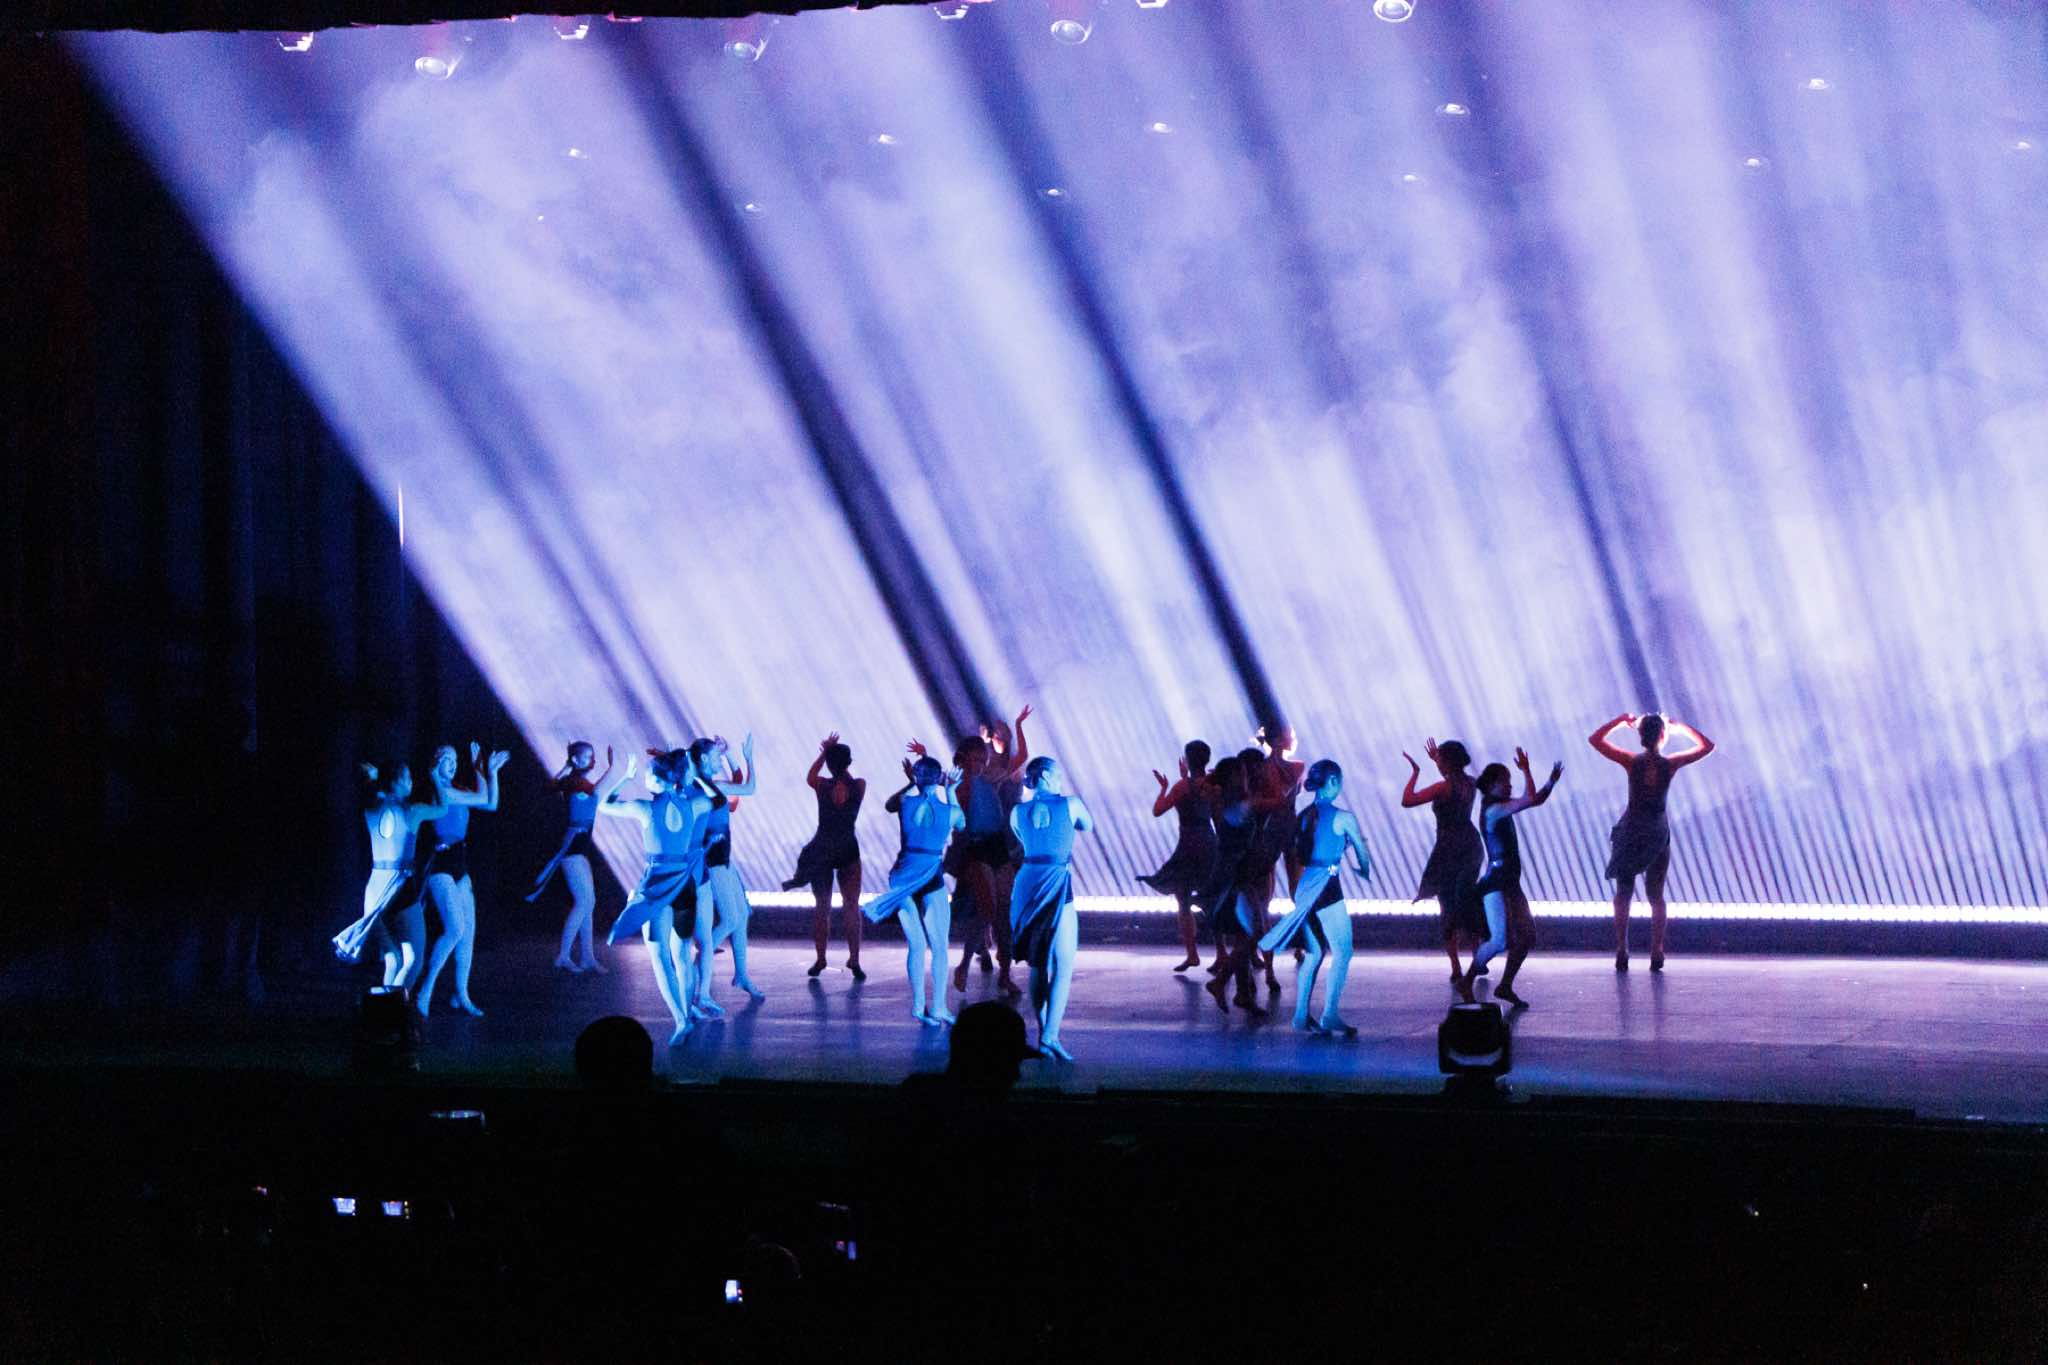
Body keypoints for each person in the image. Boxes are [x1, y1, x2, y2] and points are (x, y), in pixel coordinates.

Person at [598, 749, 712, 1045]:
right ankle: (686, 1014)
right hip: (684, 885)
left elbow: (604, 804)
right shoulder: (693, 804)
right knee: (682, 955)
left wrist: (625, 777)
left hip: (658, 886)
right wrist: (693, 779)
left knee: (660, 957)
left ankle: (681, 1020)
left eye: (647, 775)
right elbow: (716, 800)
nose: (644, 779)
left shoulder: (644, 808)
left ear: (657, 780)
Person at [1590, 712, 1715, 971]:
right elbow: (1707, 746)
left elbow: (1596, 740)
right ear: (1662, 735)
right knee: (1656, 894)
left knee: (1623, 891)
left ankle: (1622, 947)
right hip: (1656, 830)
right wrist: (1682, 727)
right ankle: (1657, 949)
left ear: (1640, 735)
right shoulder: (1669, 764)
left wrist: (1619, 721)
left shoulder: (1631, 761)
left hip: (1632, 829)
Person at [1258, 759, 1372, 1035]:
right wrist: (1363, 869)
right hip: (1326, 888)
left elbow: (1307, 851)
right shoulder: (1343, 817)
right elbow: (1361, 851)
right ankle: (1329, 1014)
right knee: (1343, 951)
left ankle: (1301, 1016)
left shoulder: (1305, 815)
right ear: (1332, 781)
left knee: (1315, 952)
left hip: (1307, 885)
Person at [864, 755, 965, 1024]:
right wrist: (951, 791)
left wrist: (910, 782)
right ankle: (938, 1007)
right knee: (939, 946)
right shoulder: (950, 811)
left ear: (917, 778)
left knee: (917, 945)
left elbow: (889, 804)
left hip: (903, 876)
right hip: (929, 876)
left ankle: (920, 1006)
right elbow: (961, 825)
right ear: (939, 778)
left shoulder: (905, 802)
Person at [415, 741, 511, 1018]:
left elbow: (491, 803)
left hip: (460, 864)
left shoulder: (457, 788)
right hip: (440, 865)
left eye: (455, 760)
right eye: (447, 759)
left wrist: (490, 772)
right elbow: (482, 797)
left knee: (467, 934)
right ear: (436, 762)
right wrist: (482, 769)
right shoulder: (440, 790)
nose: (453, 764)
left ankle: (461, 993)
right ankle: (425, 991)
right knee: (455, 929)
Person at [1459, 749, 1561, 1005]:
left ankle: (1505, 986)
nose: (1509, 785)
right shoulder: (1494, 810)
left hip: (1509, 883)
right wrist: (1526, 770)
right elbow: (1530, 798)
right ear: (1493, 784)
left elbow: (1534, 800)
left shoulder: (1500, 806)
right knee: (1499, 940)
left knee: (1526, 937)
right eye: (1505, 781)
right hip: (1496, 884)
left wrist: (1551, 781)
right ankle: (1467, 980)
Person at [1008, 756, 1093, 1061]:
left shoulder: (1017, 811)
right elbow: (1088, 826)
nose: (1061, 780)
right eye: (1057, 775)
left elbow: (1023, 839)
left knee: (1037, 961)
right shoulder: (1071, 804)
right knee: (1064, 961)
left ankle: (1045, 1031)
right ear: (1045, 776)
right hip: (1054, 878)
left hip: (1026, 881)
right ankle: (1050, 1035)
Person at [925, 734, 1020, 999]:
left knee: (1003, 912)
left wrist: (1017, 730)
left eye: (982, 759)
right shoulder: (957, 784)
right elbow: (936, 779)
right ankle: (965, 964)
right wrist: (923, 758)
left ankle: (1005, 975)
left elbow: (1018, 760)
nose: (978, 763)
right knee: (988, 909)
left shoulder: (989, 779)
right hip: (975, 849)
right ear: (963, 759)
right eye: (974, 759)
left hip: (997, 846)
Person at [333, 762, 445, 987]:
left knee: (393, 960)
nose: (411, 782)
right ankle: (396, 1006)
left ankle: (384, 1006)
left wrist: (375, 779)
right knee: (413, 961)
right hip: (399, 889)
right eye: (407, 778)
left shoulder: (371, 807)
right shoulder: (412, 810)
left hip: (374, 892)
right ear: (396, 781)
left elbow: (375, 792)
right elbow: (443, 809)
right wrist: (436, 779)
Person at [1402, 738, 1488, 986]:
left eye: (1440, 758)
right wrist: (1438, 762)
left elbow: (1408, 800)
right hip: (1471, 846)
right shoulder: (1470, 783)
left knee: (1448, 904)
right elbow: (1454, 780)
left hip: (1449, 849)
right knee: (1468, 900)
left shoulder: (1443, 787)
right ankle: (1477, 958)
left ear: (1447, 762)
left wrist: (1415, 772)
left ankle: (1456, 967)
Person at [689, 734, 764, 1007]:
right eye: (715, 756)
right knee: (731, 919)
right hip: (713, 861)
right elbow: (749, 787)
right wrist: (748, 757)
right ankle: (697, 965)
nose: (719, 760)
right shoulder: (707, 788)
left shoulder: (711, 786)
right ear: (703, 759)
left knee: (741, 914)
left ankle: (741, 975)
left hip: (724, 858)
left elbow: (742, 784)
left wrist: (732, 754)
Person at [783, 733, 866, 980]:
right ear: (849, 763)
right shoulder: (858, 785)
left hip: (824, 848)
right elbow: (841, 773)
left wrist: (824, 753)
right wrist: (834, 757)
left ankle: (820, 959)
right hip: (847, 847)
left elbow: (810, 776)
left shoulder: (823, 786)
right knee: (851, 905)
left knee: (822, 907)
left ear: (829, 764)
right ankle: (854, 958)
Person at [529, 741, 611, 974]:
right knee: (584, 902)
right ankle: (563, 956)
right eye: (587, 757)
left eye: (592, 757)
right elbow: (551, 787)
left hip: (580, 848)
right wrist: (613, 771)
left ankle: (587, 957)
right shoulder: (574, 782)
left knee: (589, 902)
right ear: (575, 759)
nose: (591, 761)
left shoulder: (576, 781)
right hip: (572, 848)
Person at [1136, 741, 1216, 972]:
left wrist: (1164, 787)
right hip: (1210, 842)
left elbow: (1158, 810)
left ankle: (1192, 954)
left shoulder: (1182, 787)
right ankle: (1222, 952)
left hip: (1189, 845)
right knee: (1214, 898)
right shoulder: (1213, 783)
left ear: (1187, 760)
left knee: (1183, 899)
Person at [1196, 757, 1266, 1015]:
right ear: (1233, 778)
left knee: (1243, 933)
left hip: (1233, 873)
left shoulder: (1226, 803)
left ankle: (1243, 993)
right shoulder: (1237, 807)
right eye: (1242, 774)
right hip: (1236, 875)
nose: (1246, 777)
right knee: (1254, 932)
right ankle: (1221, 981)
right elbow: (1274, 803)